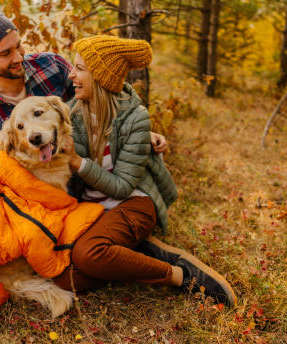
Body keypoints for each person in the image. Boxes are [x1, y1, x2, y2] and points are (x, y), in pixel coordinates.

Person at [53, 35, 237, 306]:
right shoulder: (71, 114)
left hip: (133, 203)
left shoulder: (136, 117)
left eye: (80, 69)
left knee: (88, 255)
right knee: (64, 279)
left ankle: (178, 274)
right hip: (92, 209)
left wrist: (78, 162)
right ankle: (136, 252)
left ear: (102, 77)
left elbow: (122, 186)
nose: (71, 75)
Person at [0, 8, 167, 152]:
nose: (19, 57)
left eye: (18, 45)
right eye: (6, 53)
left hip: (86, 161)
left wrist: (136, 130)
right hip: (30, 185)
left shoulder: (51, 66)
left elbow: (101, 94)